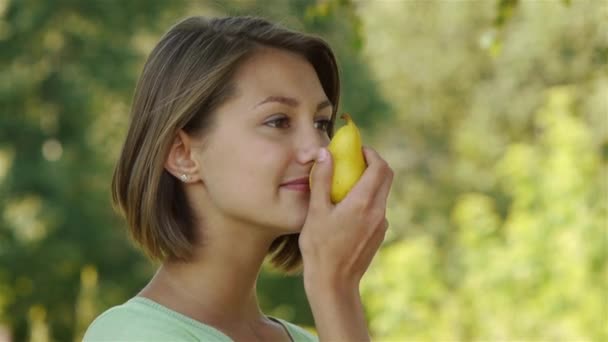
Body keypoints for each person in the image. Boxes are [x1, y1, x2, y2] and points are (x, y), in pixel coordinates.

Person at [83, 15, 393, 342]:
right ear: (182, 154)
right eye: (278, 121)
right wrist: (335, 287)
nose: (318, 150)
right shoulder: (130, 336)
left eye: (321, 123)